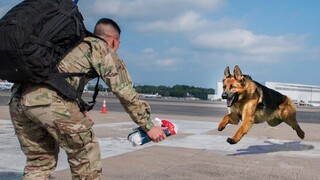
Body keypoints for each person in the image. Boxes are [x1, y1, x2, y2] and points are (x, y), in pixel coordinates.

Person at [9, 18, 167, 179]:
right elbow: (123, 90)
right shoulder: (99, 47)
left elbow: (64, 80)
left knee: (40, 162)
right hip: (50, 101)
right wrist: (148, 125)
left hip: (18, 101)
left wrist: (76, 110)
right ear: (114, 40)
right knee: (86, 156)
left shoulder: (69, 44)